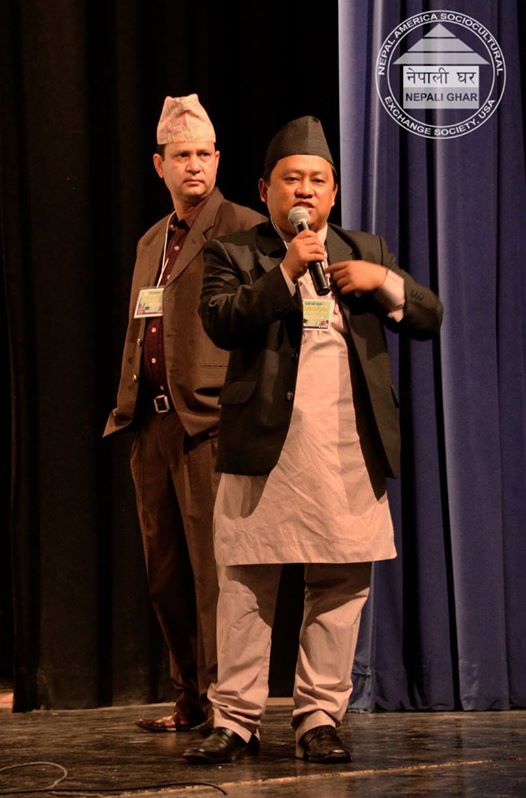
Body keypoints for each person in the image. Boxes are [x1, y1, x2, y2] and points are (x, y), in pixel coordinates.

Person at [183, 116, 443, 764]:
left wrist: (383, 282)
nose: (305, 191)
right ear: (266, 189)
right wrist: (285, 274)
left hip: (346, 449)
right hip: (264, 447)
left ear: (333, 192)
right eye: (292, 179)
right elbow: (221, 320)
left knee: (340, 584)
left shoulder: (364, 249)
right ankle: (235, 720)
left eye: (317, 181)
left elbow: (429, 316)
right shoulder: (235, 251)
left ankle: (318, 717)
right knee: (245, 585)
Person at [104, 94, 265, 733]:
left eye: (203, 154)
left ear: (218, 159)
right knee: (165, 573)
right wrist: (127, 406)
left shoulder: (243, 226)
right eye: (181, 156)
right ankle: (190, 698)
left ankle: (227, 705)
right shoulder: (152, 240)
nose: (194, 165)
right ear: (160, 165)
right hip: (150, 422)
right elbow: (141, 326)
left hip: (207, 423)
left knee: (212, 573)